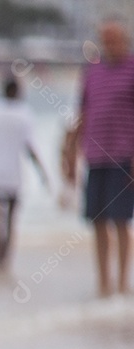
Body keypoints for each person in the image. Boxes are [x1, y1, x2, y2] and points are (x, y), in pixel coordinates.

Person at [66, 21, 134, 297]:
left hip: (123, 155)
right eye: (105, 40)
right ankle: (103, 281)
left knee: (120, 220)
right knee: (97, 220)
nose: (110, 45)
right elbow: (81, 113)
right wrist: (69, 153)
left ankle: (122, 281)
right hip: (94, 156)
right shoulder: (91, 72)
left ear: (124, 41)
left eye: (114, 40)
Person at [0, 76, 49, 273]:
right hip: (14, 175)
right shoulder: (24, 114)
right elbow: (30, 148)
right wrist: (42, 173)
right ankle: (6, 261)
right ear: (17, 91)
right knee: (10, 220)